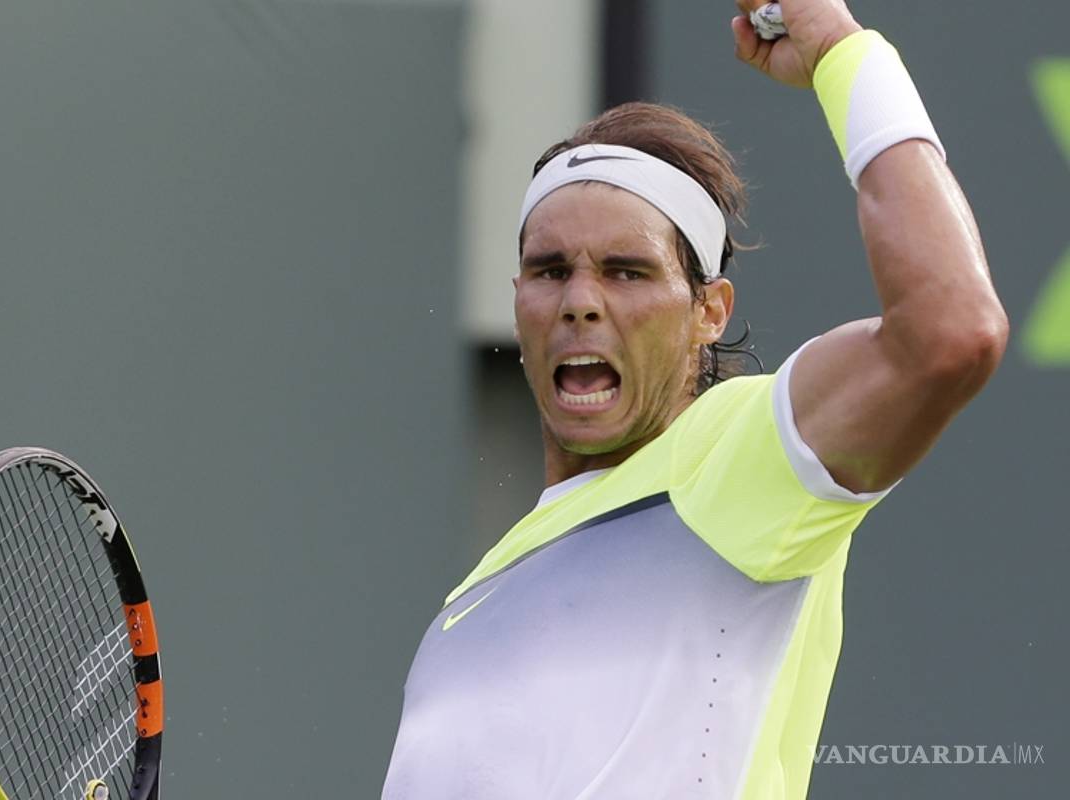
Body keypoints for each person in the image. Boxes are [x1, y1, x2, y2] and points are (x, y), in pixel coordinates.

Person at [381, 1, 1008, 797]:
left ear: (709, 311)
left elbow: (952, 332)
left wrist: (844, 54)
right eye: (551, 271)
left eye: (626, 271)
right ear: (519, 303)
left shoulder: (733, 460)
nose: (579, 300)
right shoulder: (469, 604)